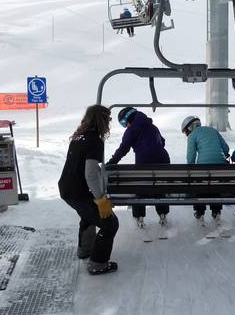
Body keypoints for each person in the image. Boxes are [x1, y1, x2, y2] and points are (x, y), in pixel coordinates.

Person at [58, 105, 119, 275]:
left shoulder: (78, 137)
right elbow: (90, 173)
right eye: (108, 119)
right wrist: (101, 200)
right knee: (110, 224)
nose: (109, 123)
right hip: (78, 191)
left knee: (88, 216)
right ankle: (97, 264)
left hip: (67, 188)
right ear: (102, 120)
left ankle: (85, 250)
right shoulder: (95, 140)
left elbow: (83, 167)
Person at [107, 107, 170, 227]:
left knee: (139, 187)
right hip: (164, 163)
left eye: (124, 124)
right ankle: (162, 214)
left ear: (127, 119)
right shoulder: (152, 126)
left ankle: (139, 216)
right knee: (159, 185)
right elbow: (162, 142)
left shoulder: (131, 130)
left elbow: (124, 148)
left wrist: (113, 161)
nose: (126, 126)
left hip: (144, 165)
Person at [181, 115, 229, 223]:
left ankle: (200, 212)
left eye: (185, 132)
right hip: (220, 166)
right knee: (215, 186)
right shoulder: (213, 130)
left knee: (199, 186)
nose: (186, 134)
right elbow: (225, 148)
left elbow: (191, 157)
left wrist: (190, 169)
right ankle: (216, 211)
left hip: (203, 167)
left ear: (189, 128)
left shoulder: (192, 135)